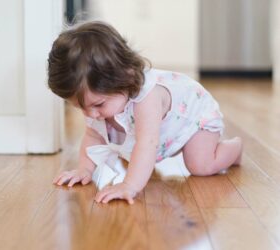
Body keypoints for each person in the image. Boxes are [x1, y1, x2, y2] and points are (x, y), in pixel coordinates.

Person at [47, 21, 243, 205]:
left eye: (98, 105)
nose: (90, 114)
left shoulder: (147, 98)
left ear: (125, 77)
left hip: (193, 117)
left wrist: (129, 185)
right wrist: (85, 169)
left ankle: (234, 149)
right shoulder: (97, 104)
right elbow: (93, 136)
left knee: (201, 166)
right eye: (81, 107)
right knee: (127, 151)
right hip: (168, 127)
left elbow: (147, 142)